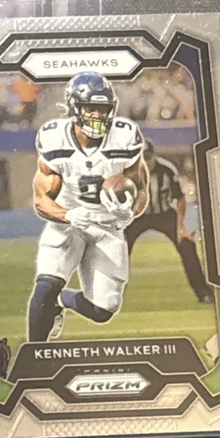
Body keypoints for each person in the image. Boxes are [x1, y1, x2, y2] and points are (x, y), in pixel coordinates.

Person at [25, 71, 149, 342]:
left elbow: (140, 189)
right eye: (90, 108)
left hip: (107, 225)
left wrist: (129, 212)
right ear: (74, 107)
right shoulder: (54, 138)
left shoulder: (124, 136)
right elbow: (41, 200)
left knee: (102, 310)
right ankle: (33, 355)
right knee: (45, 287)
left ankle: (61, 301)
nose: (97, 115)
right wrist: (68, 214)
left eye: (102, 109)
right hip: (68, 223)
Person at [125, 139, 212, 303]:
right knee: (118, 251)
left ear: (154, 156)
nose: (147, 162)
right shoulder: (128, 171)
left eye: (148, 158)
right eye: (143, 158)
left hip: (163, 214)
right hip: (136, 217)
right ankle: (110, 296)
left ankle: (204, 293)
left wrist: (181, 227)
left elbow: (180, 199)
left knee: (187, 246)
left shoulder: (166, 170)